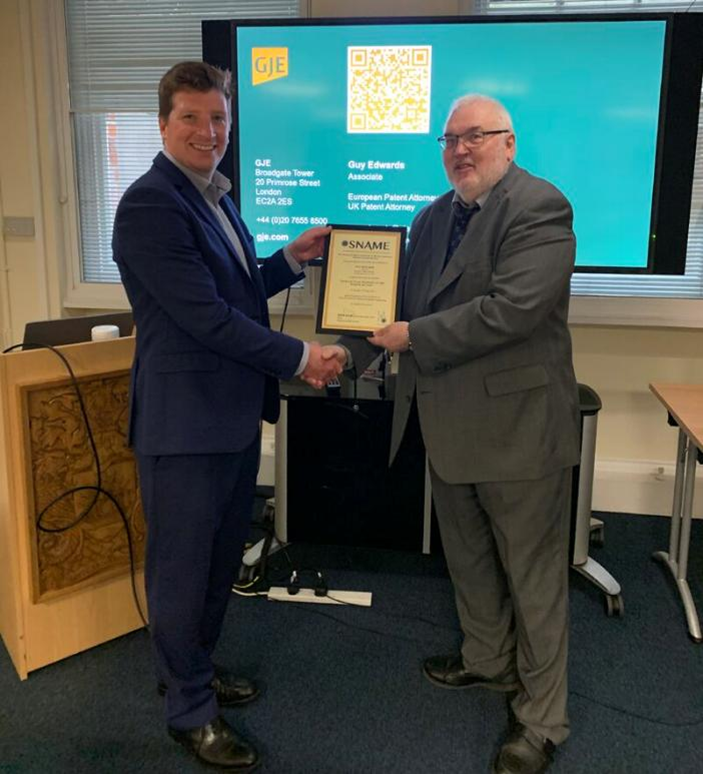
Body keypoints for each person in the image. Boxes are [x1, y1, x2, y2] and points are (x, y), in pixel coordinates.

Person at [326, 95, 580, 774]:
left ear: (508, 142)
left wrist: (410, 336)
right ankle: (488, 660)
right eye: (449, 140)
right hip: (444, 422)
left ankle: (541, 718)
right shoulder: (430, 217)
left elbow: (511, 311)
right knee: (467, 558)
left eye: (476, 136)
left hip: (517, 430)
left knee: (532, 576)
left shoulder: (540, 208)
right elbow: (395, 308)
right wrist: (345, 352)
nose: (460, 150)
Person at [112, 61, 340, 771]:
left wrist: (288, 259)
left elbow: (234, 291)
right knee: (183, 571)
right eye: (191, 117)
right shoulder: (151, 204)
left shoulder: (212, 195)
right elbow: (206, 318)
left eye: (218, 118)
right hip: (184, 428)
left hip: (228, 419)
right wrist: (300, 356)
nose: (208, 131)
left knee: (216, 565)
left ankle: (195, 672)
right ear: (163, 124)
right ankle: (187, 709)